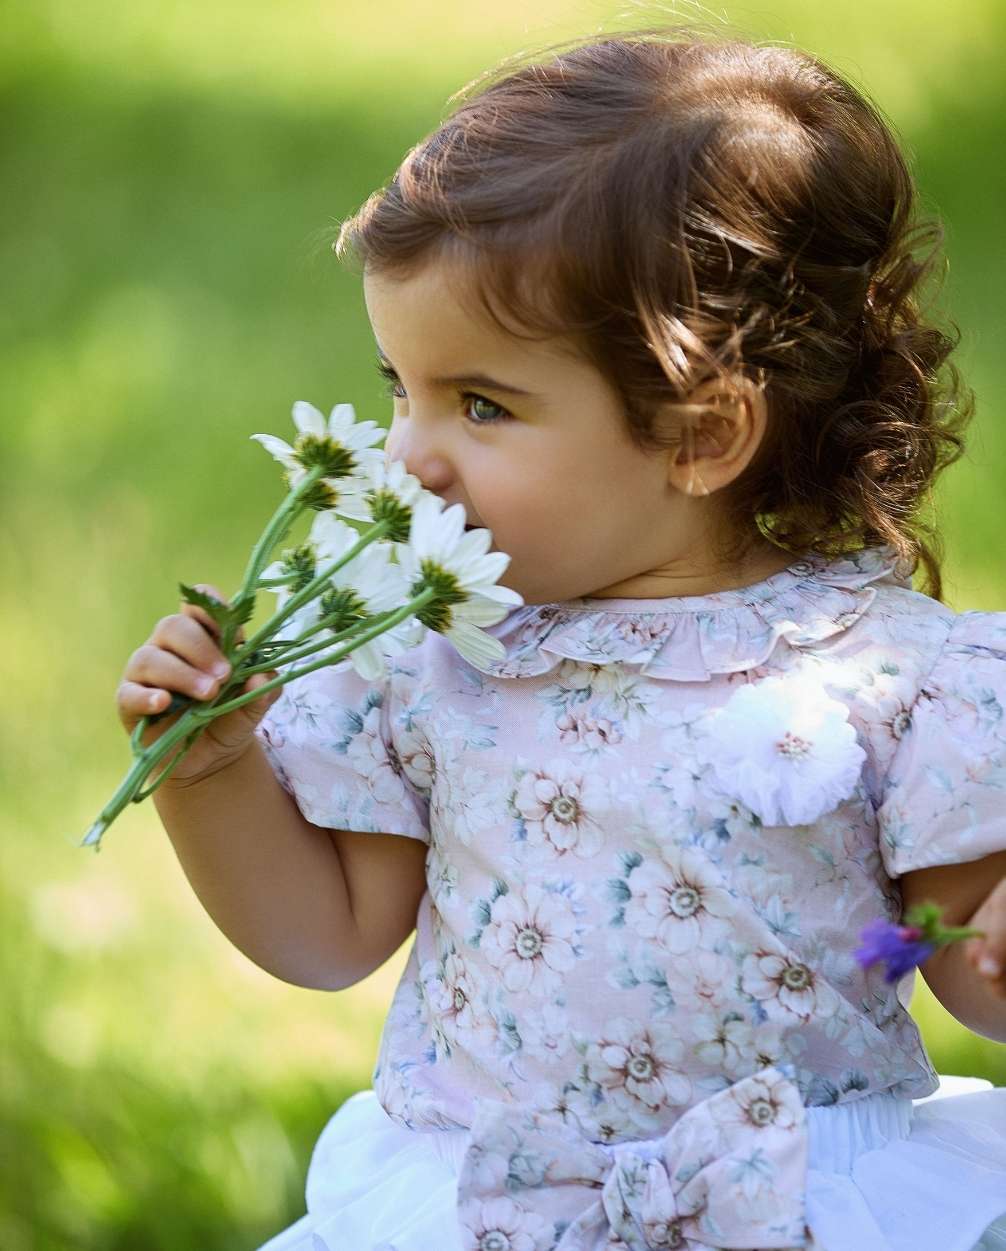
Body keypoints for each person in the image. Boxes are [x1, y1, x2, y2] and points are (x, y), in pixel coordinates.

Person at [116, 22, 1006, 1251]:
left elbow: (964, 968)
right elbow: (326, 938)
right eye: (399, 389)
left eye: (481, 405)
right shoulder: (434, 656)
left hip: (789, 1202)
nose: (409, 456)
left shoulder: (891, 674)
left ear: (701, 434)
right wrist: (210, 773)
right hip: (492, 1202)